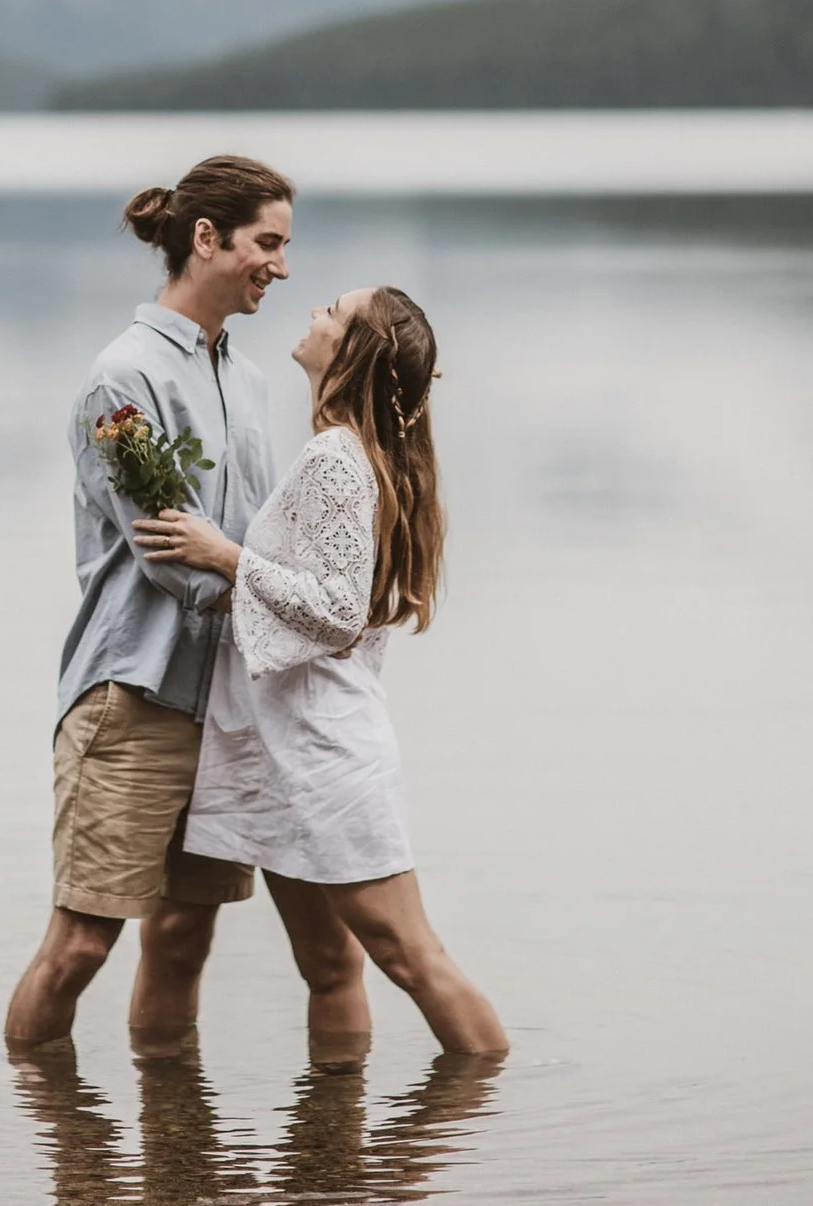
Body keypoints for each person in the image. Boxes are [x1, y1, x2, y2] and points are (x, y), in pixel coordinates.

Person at [133, 286, 508, 1056]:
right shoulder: (356, 452)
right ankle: (331, 1152)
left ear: (353, 350)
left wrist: (224, 554)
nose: (313, 313)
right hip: (280, 742)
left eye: (333, 311)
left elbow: (337, 608)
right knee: (331, 962)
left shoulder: (336, 456)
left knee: (408, 955)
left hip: (324, 752)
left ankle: (479, 1102)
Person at [4, 155, 295, 1056]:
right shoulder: (122, 378)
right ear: (205, 238)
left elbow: (243, 542)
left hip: (225, 704)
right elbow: (173, 556)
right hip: (131, 699)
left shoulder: (246, 379)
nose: (280, 267)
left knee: (183, 935)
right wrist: (292, 596)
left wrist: (275, 583)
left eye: (285, 247)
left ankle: (176, 1161)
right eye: (267, 243)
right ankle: (57, 1142)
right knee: (84, 940)